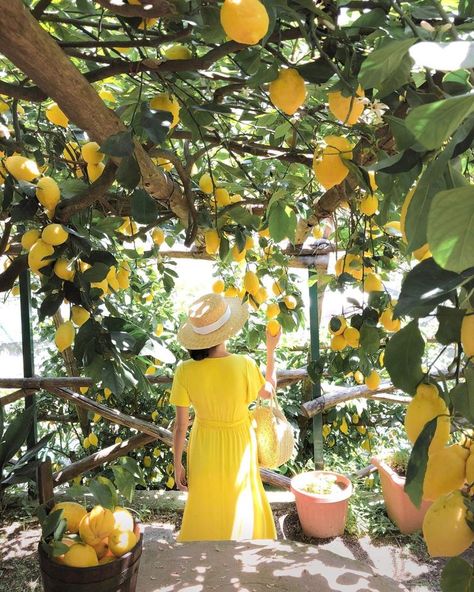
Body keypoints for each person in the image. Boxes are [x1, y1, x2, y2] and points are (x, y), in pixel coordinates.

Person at [170, 292, 280, 541]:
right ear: (227, 331)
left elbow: (180, 426)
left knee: (206, 500)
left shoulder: (184, 370)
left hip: (204, 442)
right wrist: (271, 350)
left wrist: (177, 464)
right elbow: (268, 391)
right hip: (239, 440)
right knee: (240, 496)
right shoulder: (244, 364)